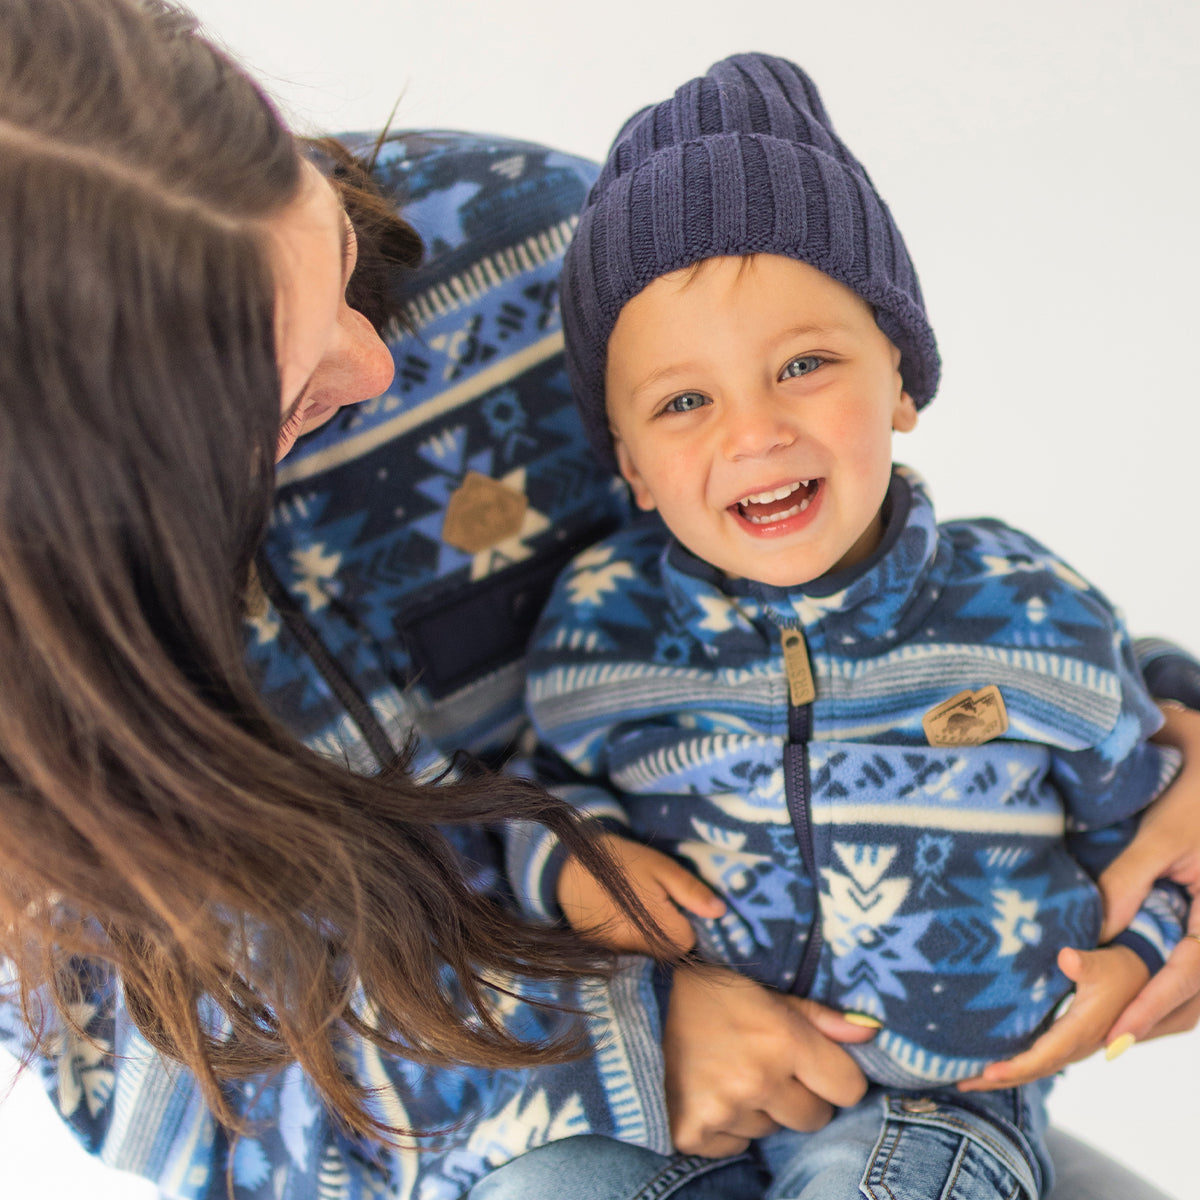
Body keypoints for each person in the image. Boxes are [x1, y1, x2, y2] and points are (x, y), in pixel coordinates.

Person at [0, 3, 1197, 1199]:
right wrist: (609, 1054)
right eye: (293, 391)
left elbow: (849, 596)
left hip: (885, 1094)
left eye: (338, 254)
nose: (375, 364)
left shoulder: (537, 248)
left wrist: (1160, 723)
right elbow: (168, 1098)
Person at [521, 53, 1198, 1198]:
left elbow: (1153, 822)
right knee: (543, 1185)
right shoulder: (602, 629)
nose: (754, 431)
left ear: (902, 382)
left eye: (805, 366)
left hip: (942, 1103)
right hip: (691, 1101)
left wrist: (1136, 954)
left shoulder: (1027, 614)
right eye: (685, 401)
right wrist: (574, 866)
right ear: (631, 465)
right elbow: (542, 790)